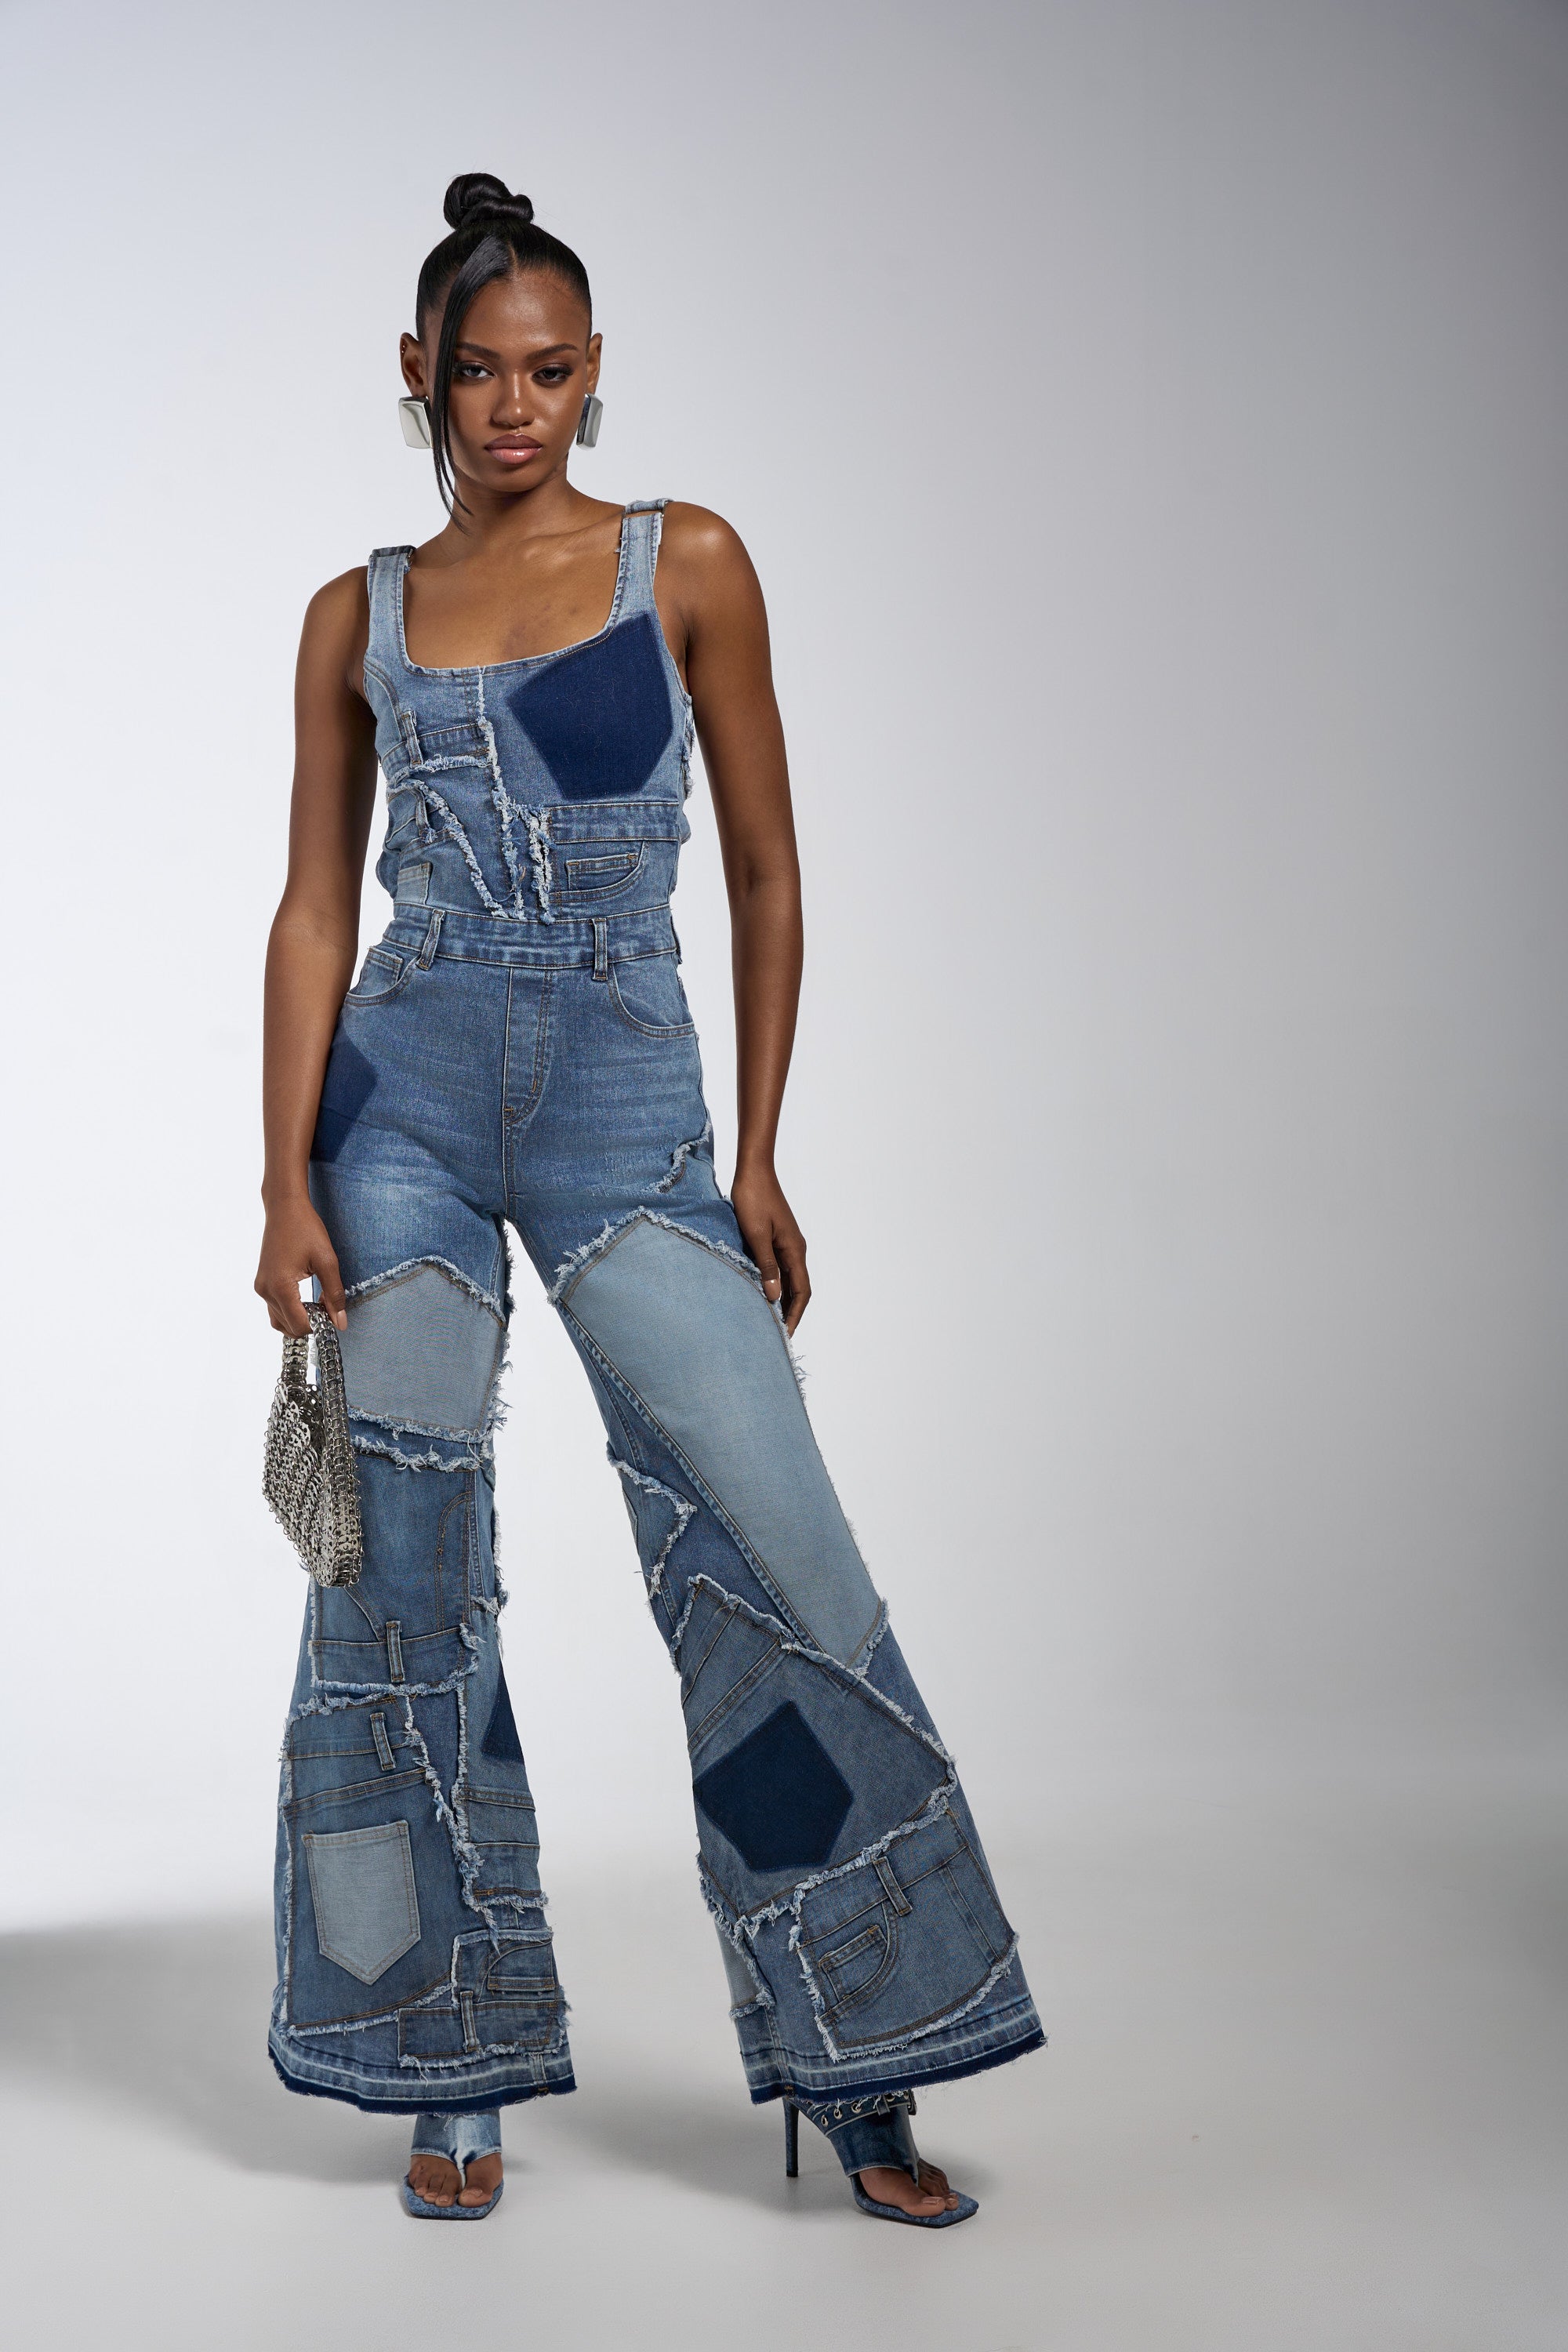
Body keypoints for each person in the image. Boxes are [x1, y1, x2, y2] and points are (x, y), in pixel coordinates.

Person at [255, 171, 1042, 2227]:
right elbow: (315, 908)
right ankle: (451, 2054)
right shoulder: (363, 613)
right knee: (395, 1570)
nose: (514, 408)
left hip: (625, 1121)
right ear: (416, 378)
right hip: (402, 1116)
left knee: (773, 1553)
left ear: (594, 377)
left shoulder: (682, 564)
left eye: (552, 372)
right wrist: (283, 1184)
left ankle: (867, 2052)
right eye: (477, 374)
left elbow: (772, 874)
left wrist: (761, 1150)